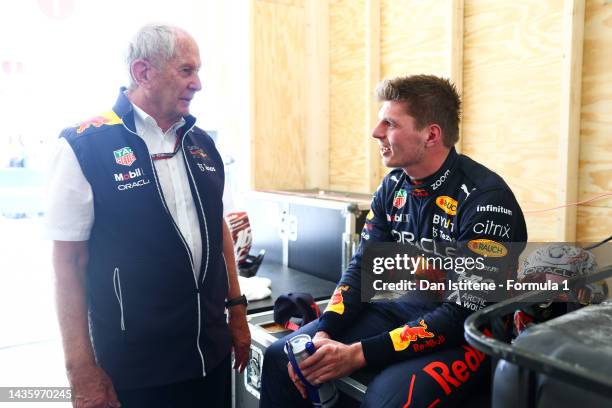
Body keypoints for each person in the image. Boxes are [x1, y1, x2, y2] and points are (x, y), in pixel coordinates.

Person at [260, 75, 528, 407]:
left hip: (466, 333)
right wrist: (325, 330)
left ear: (431, 134)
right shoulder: (392, 187)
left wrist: (357, 355)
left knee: (389, 399)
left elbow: (460, 313)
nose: (375, 132)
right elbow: (361, 269)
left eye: (389, 123)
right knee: (280, 356)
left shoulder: (488, 201)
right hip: (392, 310)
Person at [44, 24, 250, 408]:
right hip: (137, 369)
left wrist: (237, 312)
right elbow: (68, 264)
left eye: (198, 70)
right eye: (186, 71)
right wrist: (80, 369)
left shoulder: (201, 143)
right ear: (143, 72)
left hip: (212, 355)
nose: (198, 83)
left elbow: (217, 227)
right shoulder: (85, 146)